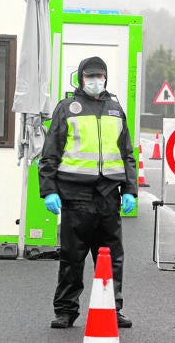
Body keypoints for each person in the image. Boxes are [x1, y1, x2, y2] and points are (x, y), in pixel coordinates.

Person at [39, 56, 137, 329]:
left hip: (108, 194)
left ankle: (112, 308)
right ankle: (65, 311)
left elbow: (127, 153)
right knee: (72, 257)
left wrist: (130, 189)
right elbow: (50, 153)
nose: (96, 81)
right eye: (90, 76)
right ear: (80, 78)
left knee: (112, 258)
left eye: (100, 76)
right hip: (75, 194)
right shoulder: (67, 108)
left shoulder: (116, 109)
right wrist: (49, 190)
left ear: (106, 78)